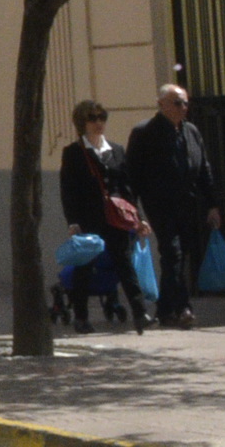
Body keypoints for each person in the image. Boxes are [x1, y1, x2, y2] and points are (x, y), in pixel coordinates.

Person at [126, 85, 221, 327]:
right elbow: (133, 176)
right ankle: (183, 307)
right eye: (178, 103)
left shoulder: (191, 131)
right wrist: (134, 212)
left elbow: (203, 169)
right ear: (161, 104)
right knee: (172, 252)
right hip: (159, 204)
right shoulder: (144, 132)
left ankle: (164, 309)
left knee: (179, 257)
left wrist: (212, 203)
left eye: (186, 103)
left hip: (188, 203)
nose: (183, 108)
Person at [58, 100, 149, 335]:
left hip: (116, 219)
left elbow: (127, 187)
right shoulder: (74, 152)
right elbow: (68, 190)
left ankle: (140, 313)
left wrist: (137, 218)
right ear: (82, 123)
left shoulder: (116, 150)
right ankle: (81, 316)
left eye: (102, 117)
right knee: (85, 267)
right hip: (89, 219)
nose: (99, 123)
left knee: (124, 264)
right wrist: (73, 222)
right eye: (92, 118)